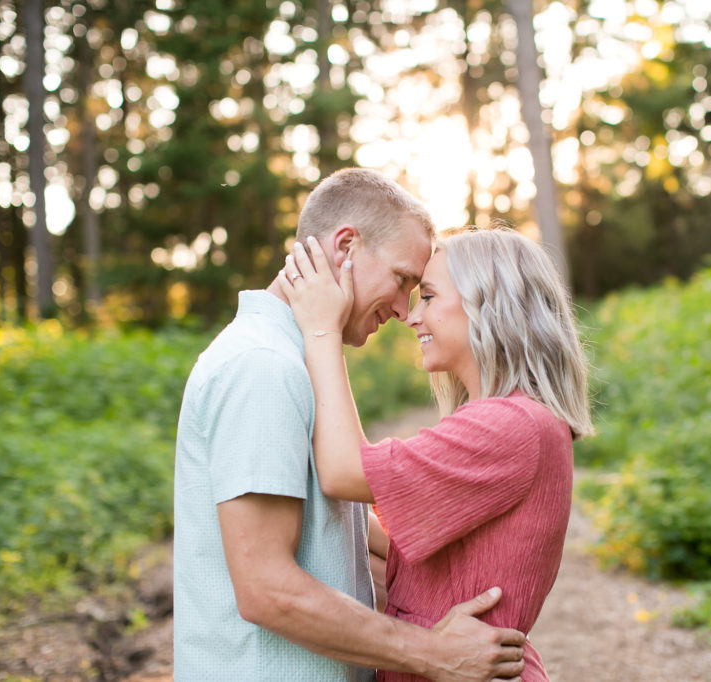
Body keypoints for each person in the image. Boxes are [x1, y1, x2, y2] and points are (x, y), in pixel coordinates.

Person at [173, 169, 526, 681]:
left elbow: (335, 530)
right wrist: (434, 652)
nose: (405, 310)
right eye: (403, 279)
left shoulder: (299, 360)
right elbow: (266, 588)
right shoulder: (262, 368)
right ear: (345, 247)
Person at [277, 224, 594, 681]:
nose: (411, 316)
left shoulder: (511, 426)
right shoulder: (515, 419)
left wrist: (323, 329)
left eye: (427, 297)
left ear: (486, 304)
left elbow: (345, 471)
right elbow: (412, 553)